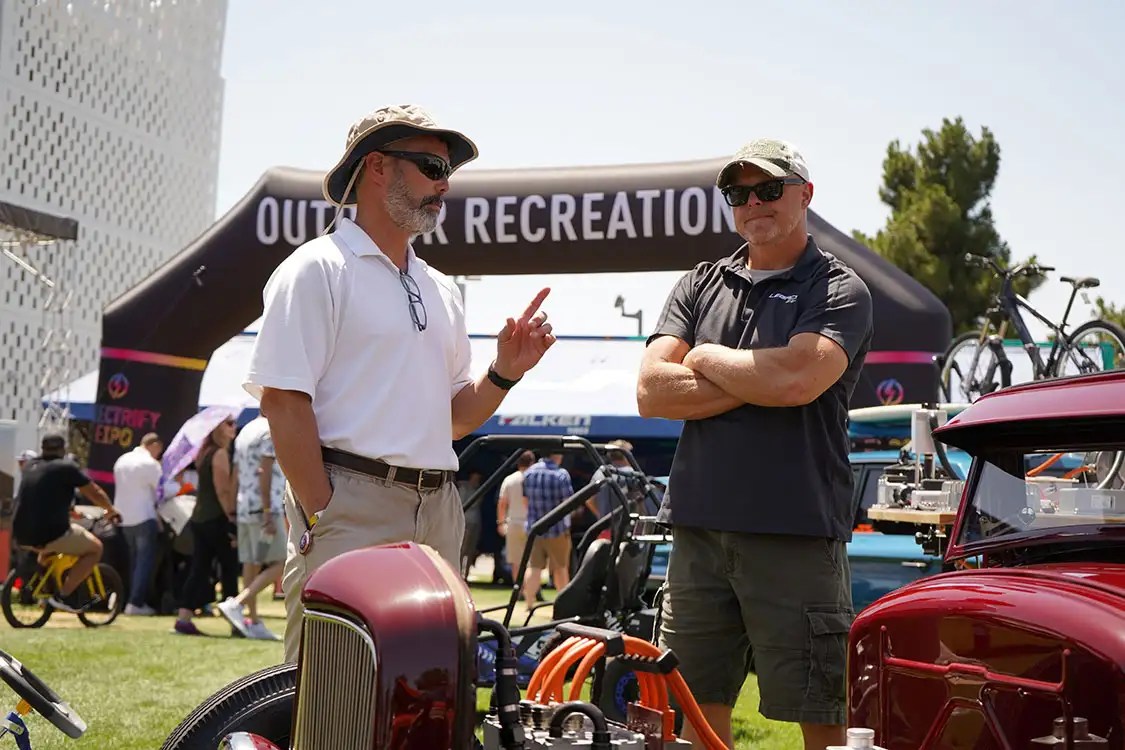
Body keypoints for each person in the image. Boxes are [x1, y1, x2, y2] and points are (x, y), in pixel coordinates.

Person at [243, 103, 557, 663]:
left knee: (429, 688)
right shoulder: (317, 268)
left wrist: (505, 371)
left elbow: (457, 417)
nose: (444, 186)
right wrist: (323, 509)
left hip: (438, 506)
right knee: (333, 692)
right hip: (350, 499)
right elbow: (284, 401)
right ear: (377, 166)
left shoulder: (440, 287)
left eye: (447, 173)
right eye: (432, 168)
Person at [636, 139, 874, 750]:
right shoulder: (700, 282)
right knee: (692, 710)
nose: (752, 203)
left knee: (821, 714)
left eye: (768, 189)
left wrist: (709, 358)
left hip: (793, 530)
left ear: (805, 194)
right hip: (698, 532)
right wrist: (762, 379)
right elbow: (651, 393)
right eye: (737, 193)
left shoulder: (840, 288)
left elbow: (798, 381)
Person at [11, 433, 121, 612]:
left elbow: (43, 496)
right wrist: (111, 509)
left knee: (50, 547)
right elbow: (94, 492)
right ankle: (64, 595)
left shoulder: (31, 466)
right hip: (50, 533)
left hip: (20, 532)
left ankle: (45, 585)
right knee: (95, 548)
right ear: (63, 449)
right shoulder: (66, 467)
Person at [217, 414, 285, 640]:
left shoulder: (245, 431)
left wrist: (234, 508)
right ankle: (238, 603)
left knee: (251, 563)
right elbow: (265, 472)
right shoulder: (271, 429)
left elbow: (236, 474)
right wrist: (267, 511)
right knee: (283, 561)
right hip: (266, 507)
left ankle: (253, 620)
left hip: (245, 505)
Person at [173, 416, 239, 636]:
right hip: (215, 518)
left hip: (200, 518)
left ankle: (184, 617)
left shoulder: (204, 453)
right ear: (217, 429)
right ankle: (234, 618)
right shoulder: (219, 454)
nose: (234, 428)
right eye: (229, 424)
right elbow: (223, 490)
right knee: (229, 567)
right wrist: (231, 516)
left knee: (199, 569)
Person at [112, 432, 164, 615]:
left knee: (133, 561)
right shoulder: (149, 463)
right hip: (143, 515)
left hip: (124, 518)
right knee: (144, 562)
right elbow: (162, 489)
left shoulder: (121, 460)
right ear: (154, 445)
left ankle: (127, 599)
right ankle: (136, 602)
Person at [521, 452, 574, 608]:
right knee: (560, 567)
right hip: (557, 529)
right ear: (558, 455)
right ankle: (564, 605)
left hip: (534, 528)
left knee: (534, 567)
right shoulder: (561, 475)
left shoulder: (529, 473)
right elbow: (568, 503)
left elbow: (525, 501)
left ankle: (529, 603)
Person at [496, 450, 534, 591]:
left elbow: (502, 503)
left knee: (516, 561)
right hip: (531, 522)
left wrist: (501, 522)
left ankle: (519, 590)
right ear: (532, 463)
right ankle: (531, 590)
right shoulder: (533, 478)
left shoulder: (510, 480)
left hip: (513, 522)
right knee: (531, 561)